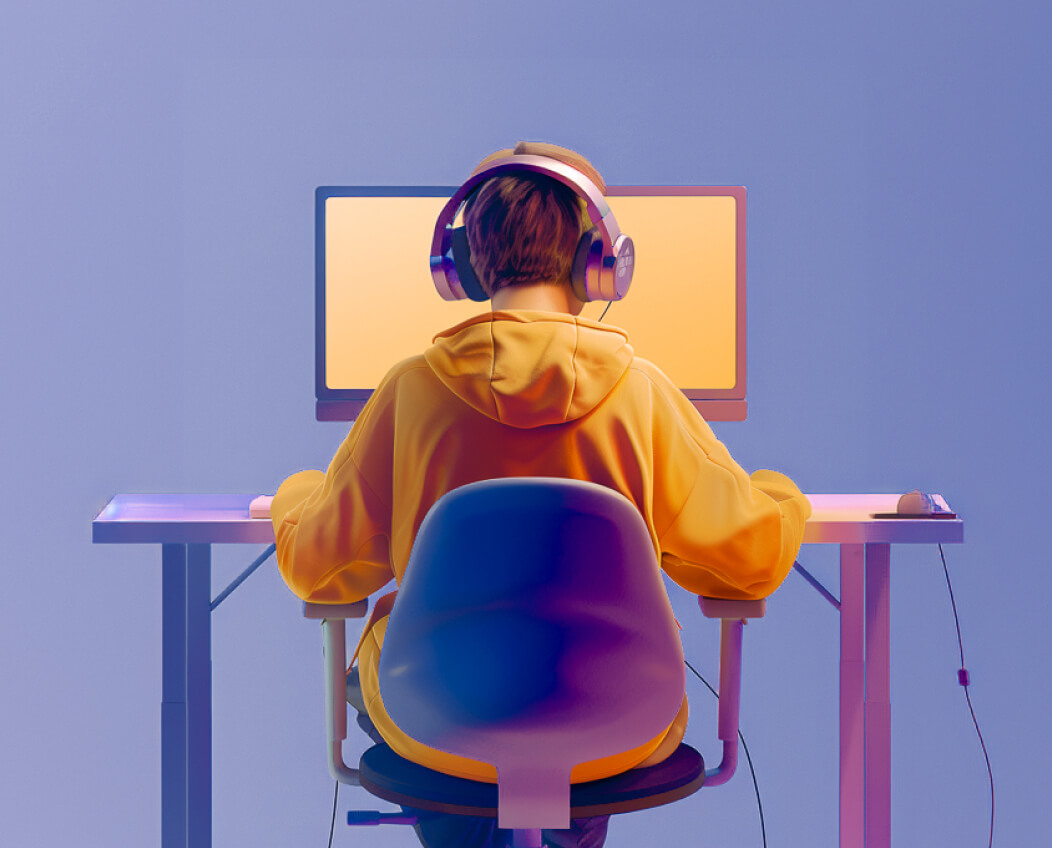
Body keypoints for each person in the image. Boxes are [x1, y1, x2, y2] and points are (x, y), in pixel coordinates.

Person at [271, 141, 811, 848]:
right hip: (617, 724)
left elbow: (319, 566)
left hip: (434, 718)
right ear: (600, 262)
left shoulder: (411, 390)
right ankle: (564, 822)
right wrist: (779, 494)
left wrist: (297, 494)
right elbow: (750, 559)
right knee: (576, 743)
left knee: (391, 670)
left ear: (461, 266)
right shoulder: (640, 392)